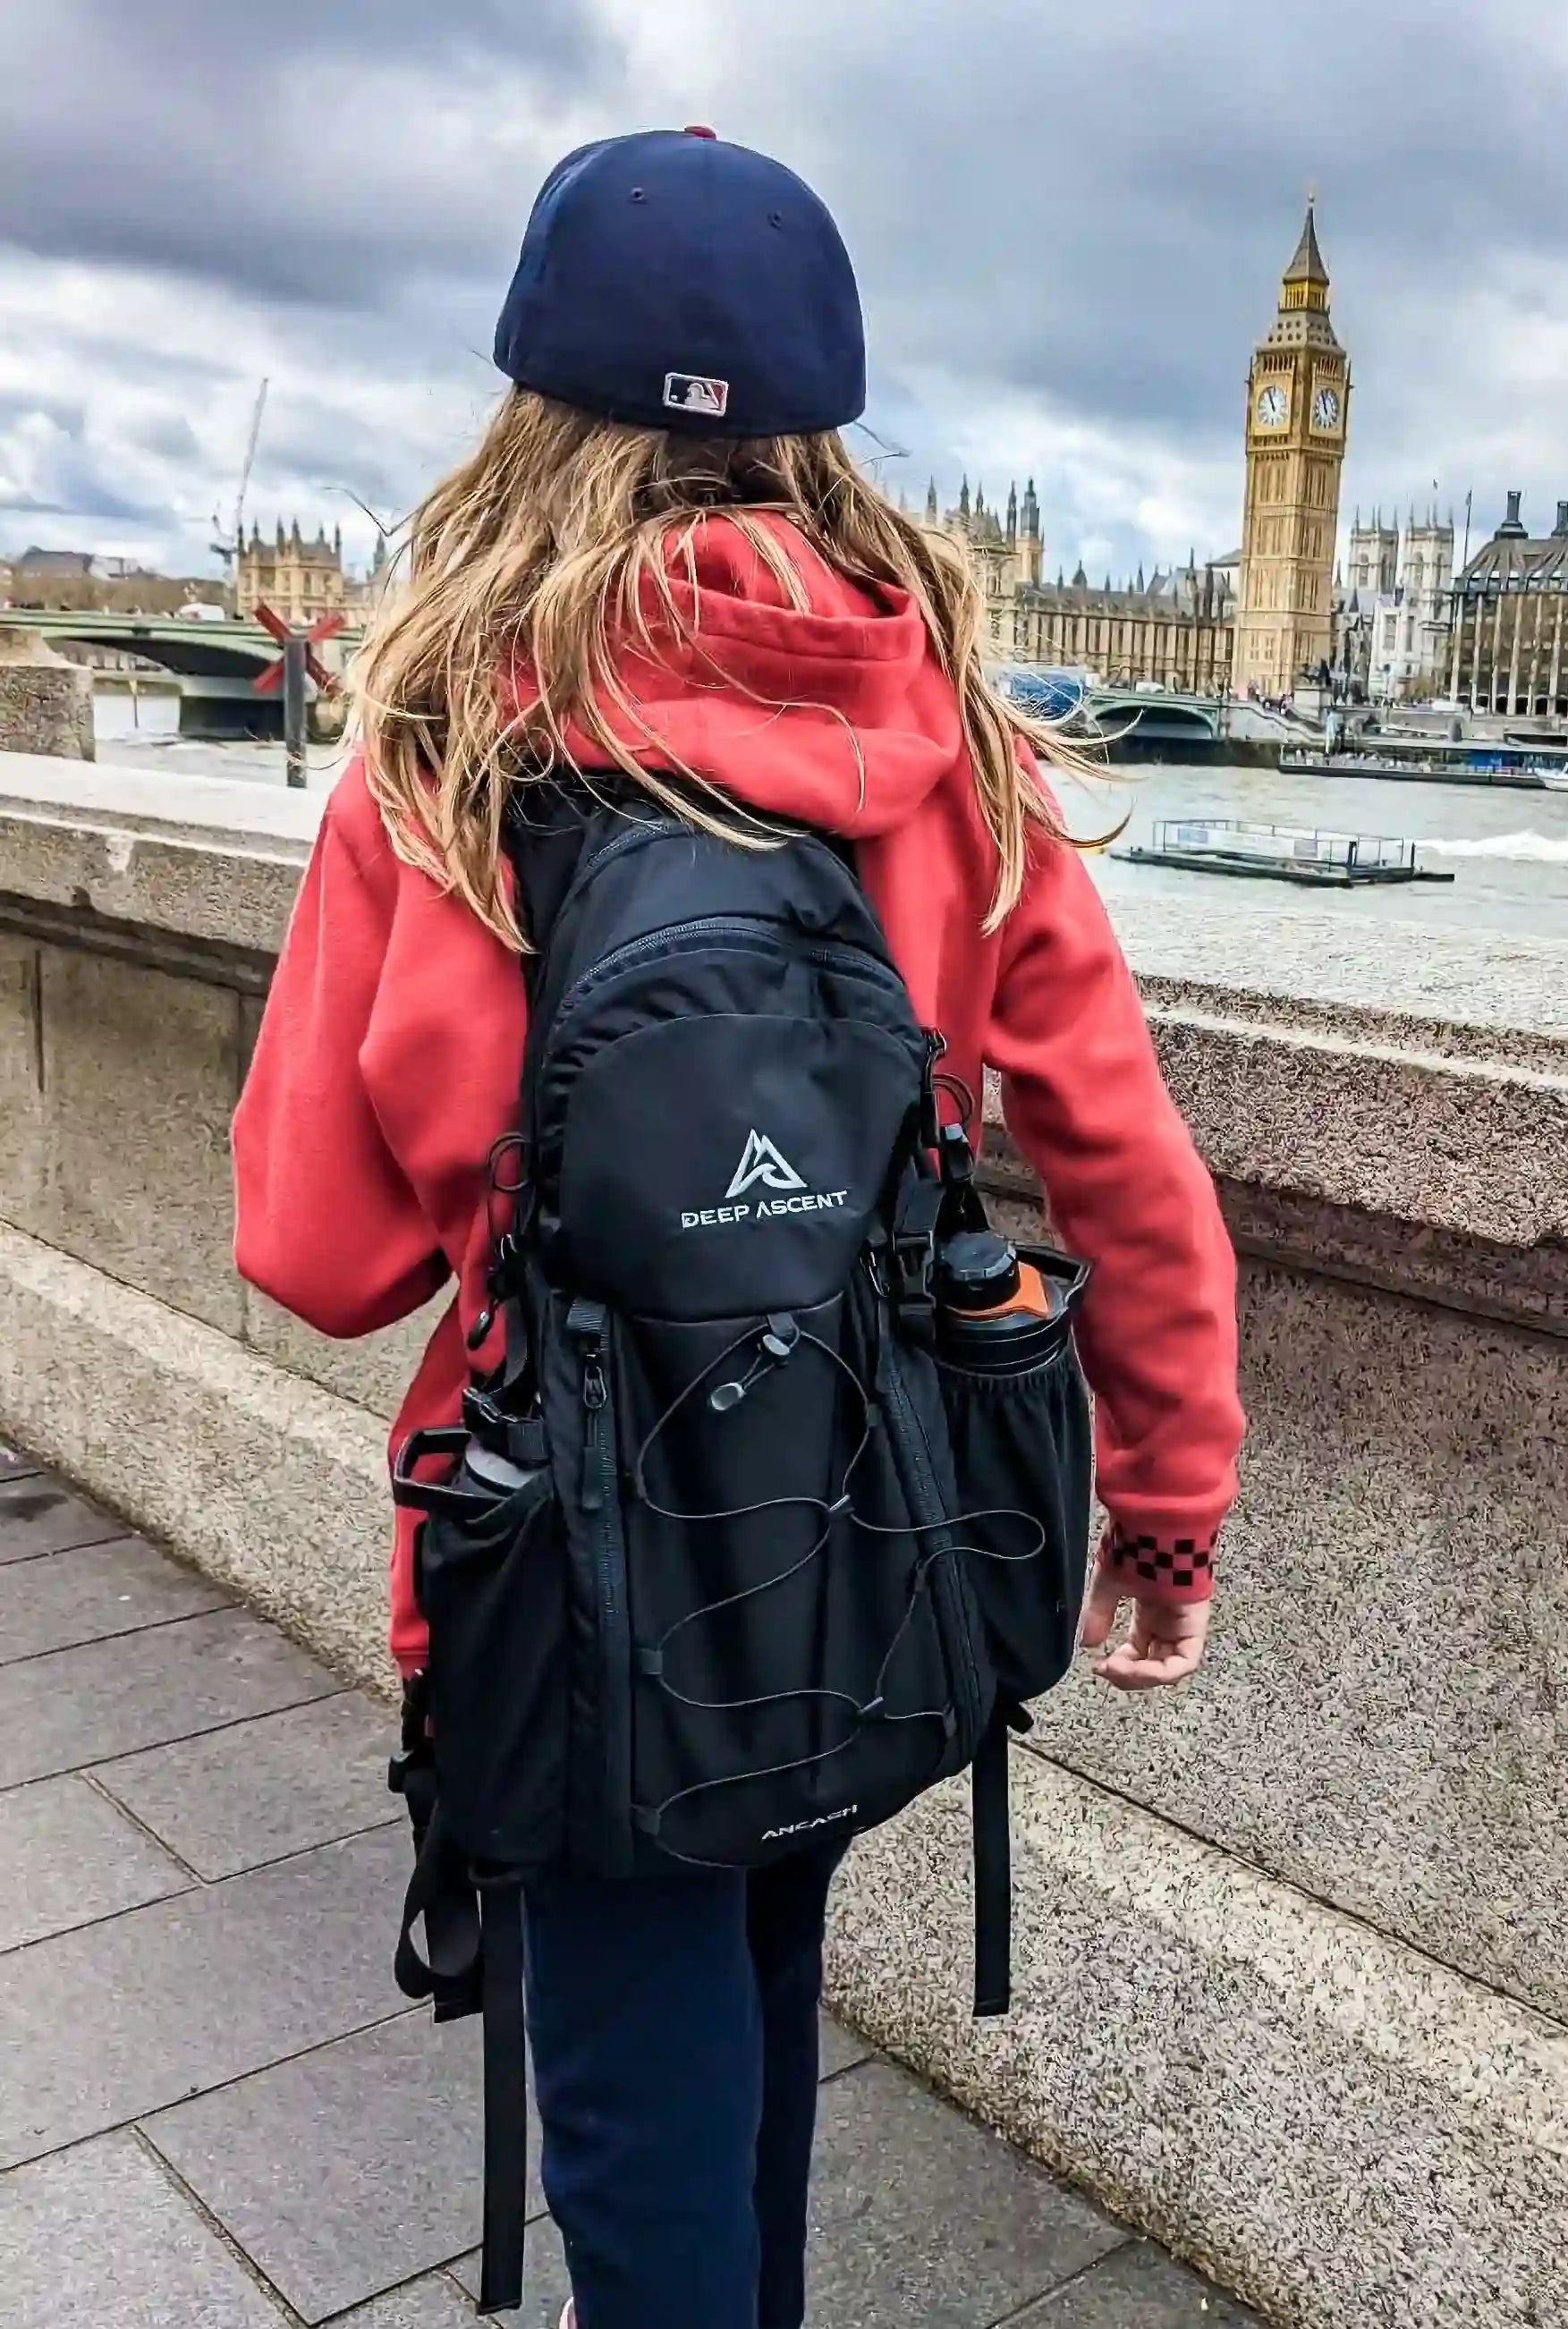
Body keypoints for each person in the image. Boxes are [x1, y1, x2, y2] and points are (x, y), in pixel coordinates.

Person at [232, 127, 1242, 2329]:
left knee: (638, 2130)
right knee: (763, 1986)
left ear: (527, 413)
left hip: (566, 1586)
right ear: (820, 424)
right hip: (868, 1533)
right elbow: (1132, 1180)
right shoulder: (958, 752)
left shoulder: (434, 759)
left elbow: (312, 1255)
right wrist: (1158, 1520)